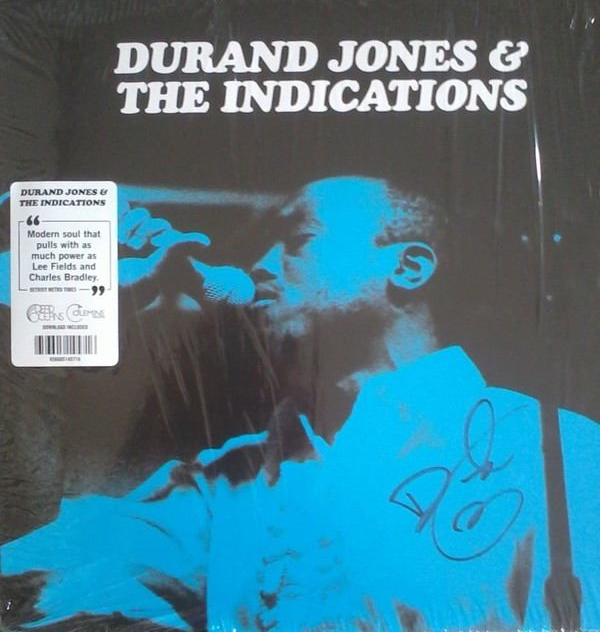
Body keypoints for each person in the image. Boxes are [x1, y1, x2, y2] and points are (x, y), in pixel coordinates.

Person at [1, 177, 599, 632]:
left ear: (408, 266)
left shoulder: (560, 454)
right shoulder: (225, 484)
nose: (257, 268)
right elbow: (23, 582)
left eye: (297, 240)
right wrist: (35, 291)